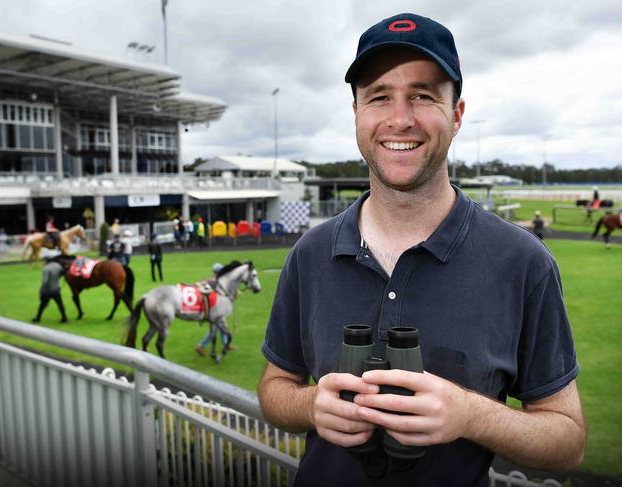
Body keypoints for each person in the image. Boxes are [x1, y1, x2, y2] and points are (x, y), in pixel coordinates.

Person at [257, 13, 586, 487]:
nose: (400, 118)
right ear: (356, 114)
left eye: (423, 95)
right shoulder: (309, 253)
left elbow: (568, 442)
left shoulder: (523, 261)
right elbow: (274, 390)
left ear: (456, 114)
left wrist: (469, 415)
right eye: (379, 96)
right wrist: (311, 404)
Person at [195, 262, 236, 356]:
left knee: (222, 327)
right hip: (214, 310)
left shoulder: (211, 280)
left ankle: (226, 344)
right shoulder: (216, 282)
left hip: (213, 309)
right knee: (216, 329)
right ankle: (201, 346)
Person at [32, 257, 68, 323]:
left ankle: (38, 317)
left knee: (42, 305)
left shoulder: (46, 269)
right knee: (60, 304)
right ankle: (64, 318)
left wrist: (41, 290)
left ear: (47, 262)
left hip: (47, 291)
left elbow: (45, 282)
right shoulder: (58, 266)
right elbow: (62, 273)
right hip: (56, 289)